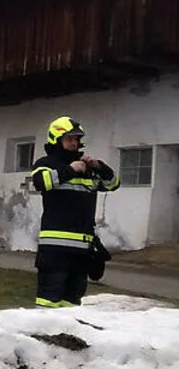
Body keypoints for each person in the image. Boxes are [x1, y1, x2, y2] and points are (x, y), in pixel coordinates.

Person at [29, 116, 120, 308]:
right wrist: (69, 170)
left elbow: (113, 184)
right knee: (48, 301)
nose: (74, 143)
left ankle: (67, 337)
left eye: (76, 139)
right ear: (56, 139)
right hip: (55, 249)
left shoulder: (88, 168)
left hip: (82, 249)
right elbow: (40, 182)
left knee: (72, 303)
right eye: (69, 139)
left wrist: (99, 167)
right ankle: (42, 334)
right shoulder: (46, 163)